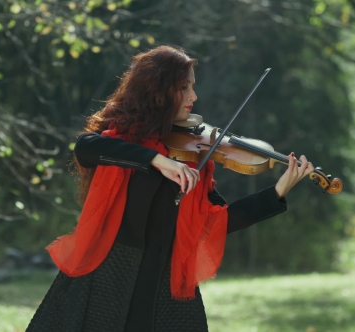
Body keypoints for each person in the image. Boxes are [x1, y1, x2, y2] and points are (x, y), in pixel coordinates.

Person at [25, 45, 314, 332]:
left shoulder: (192, 157)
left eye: (193, 87)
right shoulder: (123, 138)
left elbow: (219, 220)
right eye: (184, 87)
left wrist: (276, 192)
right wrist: (157, 160)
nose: (194, 96)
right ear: (158, 91)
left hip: (163, 282)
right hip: (107, 273)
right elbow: (86, 147)